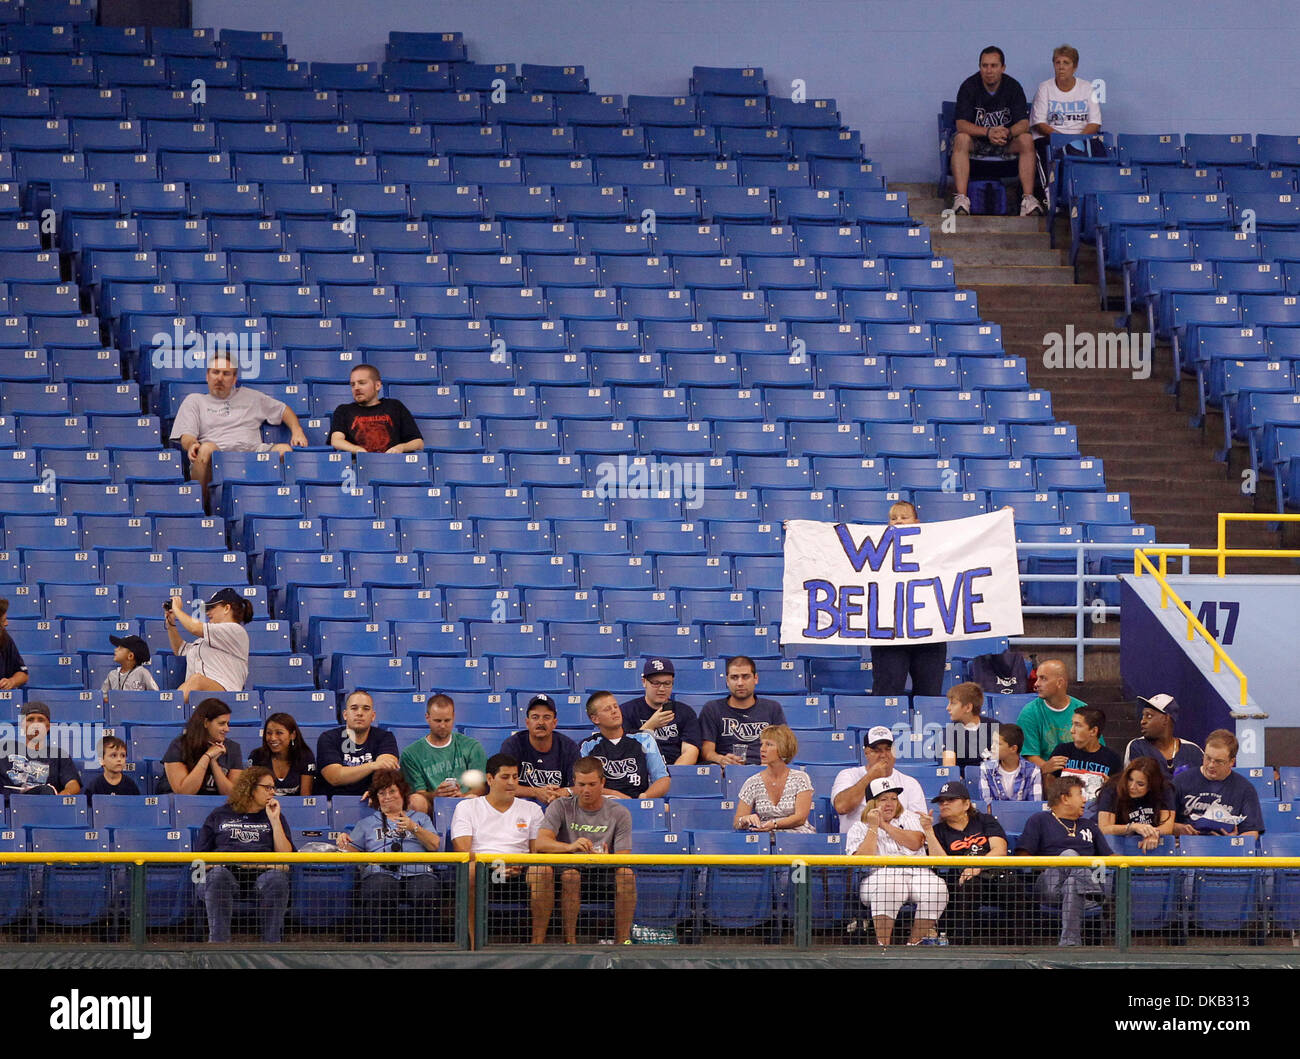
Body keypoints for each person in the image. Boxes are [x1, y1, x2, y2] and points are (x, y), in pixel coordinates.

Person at [169, 352, 308, 500]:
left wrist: (297, 430)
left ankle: (281, 503)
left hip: (252, 455)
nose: (220, 378)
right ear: (207, 376)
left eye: (226, 373)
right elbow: (187, 435)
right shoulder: (194, 401)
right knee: (205, 449)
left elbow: (283, 410)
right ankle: (201, 508)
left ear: (234, 379)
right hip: (217, 455)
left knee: (285, 450)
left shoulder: (252, 397)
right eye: (215, 372)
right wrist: (192, 444)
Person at [450, 754, 553, 945]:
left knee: (543, 870)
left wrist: (520, 864)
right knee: (469, 871)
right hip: (485, 870)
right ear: (490, 779)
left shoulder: (532, 809)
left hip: (520, 870)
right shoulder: (467, 807)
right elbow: (463, 851)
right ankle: (473, 944)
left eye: (515, 777)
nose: (512, 783)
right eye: (505, 777)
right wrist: (496, 864)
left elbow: (536, 852)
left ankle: (537, 944)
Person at [535, 756, 635, 945]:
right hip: (568, 867)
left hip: (604, 869)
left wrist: (607, 859)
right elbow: (541, 843)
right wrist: (570, 847)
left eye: (592, 784)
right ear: (574, 783)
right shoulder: (560, 806)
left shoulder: (619, 812)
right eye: (581, 784)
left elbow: (624, 856)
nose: (586, 790)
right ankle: (570, 942)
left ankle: (623, 941)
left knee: (627, 875)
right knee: (570, 876)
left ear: (602, 782)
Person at [337, 768, 442, 942]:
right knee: (379, 888)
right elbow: (351, 853)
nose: (387, 797)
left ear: (402, 792)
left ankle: (427, 946)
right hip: (380, 873)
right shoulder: (366, 823)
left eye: (392, 791)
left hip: (418, 871)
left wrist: (413, 827)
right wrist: (343, 841)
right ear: (376, 798)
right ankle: (378, 947)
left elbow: (434, 845)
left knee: (427, 889)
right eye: (382, 793)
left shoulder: (420, 818)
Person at [195, 766, 294, 943]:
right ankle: (218, 947)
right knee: (217, 875)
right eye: (268, 787)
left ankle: (271, 946)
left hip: (261, 876)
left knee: (277, 879)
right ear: (250, 787)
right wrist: (220, 864)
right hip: (224, 875)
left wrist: (274, 820)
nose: (272, 792)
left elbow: (286, 859)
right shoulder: (219, 815)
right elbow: (198, 860)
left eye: (273, 788)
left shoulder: (274, 816)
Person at [846, 776, 949, 946]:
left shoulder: (910, 818)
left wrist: (885, 825)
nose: (890, 803)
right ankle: (883, 946)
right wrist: (873, 827)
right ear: (872, 803)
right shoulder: (859, 827)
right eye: (883, 799)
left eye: (893, 798)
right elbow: (863, 860)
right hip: (879, 876)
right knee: (891, 885)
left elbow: (915, 843)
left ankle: (914, 944)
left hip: (918, 874)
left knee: (937, 888)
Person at [1015, 775, 1112, 946]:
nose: (1084, 799)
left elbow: (1111, 858)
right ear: (1065, 798)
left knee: (1073, 883)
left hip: (1076, 890)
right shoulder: (1040, 820)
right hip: (1050, 885)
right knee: (1069, 855)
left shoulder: (1089, 825)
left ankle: (1069, 943)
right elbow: (1023, 858)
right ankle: (1093, 890)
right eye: (1080, 794)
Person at [950, 45, 1043, 217]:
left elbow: (1023, 123)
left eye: (994, 66)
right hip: (978, 141)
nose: (989, 70)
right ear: (980, 67)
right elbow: (961, 124)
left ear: (1003, 68)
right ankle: (962, 199)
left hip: (1005, 141)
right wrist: (988, 132)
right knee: (961, 138)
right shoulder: (969, 86)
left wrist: (1007, 133)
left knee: (1026, 140)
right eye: (985, 65)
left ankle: (1028, 200)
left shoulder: (1013, 87)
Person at [868, 501, 949, 696]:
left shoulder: (936, 549)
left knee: (929, 694)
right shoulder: (874, 551)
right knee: (887, 692)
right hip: (889, 632)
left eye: (904, 518)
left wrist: (1002, 520)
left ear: (917, 522)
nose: (899, 522)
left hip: (929, 632)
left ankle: (926, 728)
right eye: (894, 519)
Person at [924, 779, 1011, 945]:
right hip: (960, 882)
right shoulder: (938, 831)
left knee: (1012, 885)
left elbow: (999, 850)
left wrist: (977, 866)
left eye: (951, 800)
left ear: (966, 804)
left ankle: (1023, 944)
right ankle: (960, 945)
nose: (944, 804)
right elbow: (940, 863)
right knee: (971, 885)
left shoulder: (985, 820)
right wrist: (928, 832)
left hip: (992, 875)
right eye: (941, 801)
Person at [400, 693, 486, 814]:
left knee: (473, 799)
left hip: (466, 803)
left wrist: (463, 796)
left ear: (454, 717)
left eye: (447, 720)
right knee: (415, 800)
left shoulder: (471, 746)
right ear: (427, 717)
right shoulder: (411, 753)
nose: (442, 725)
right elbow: (419, 792)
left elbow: (481, 787)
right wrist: (436, 795)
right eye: (437, 720)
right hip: (432, 807)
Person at [831, 725, 926, 834]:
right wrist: (870, 776)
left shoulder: (910, 783)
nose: (883, 755)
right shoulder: (848, 775)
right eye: (877, 751)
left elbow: (919, 831)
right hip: (857, 845)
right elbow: (841, 807)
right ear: (866, 753)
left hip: (898, 847)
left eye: (888, 749)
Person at [164, 587, 254, 702]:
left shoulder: (236, 630)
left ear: (227, 608)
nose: (207, 613)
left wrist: (176, 609)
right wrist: (171, 623)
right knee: (196, 681)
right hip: (201, 700)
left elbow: (194, 628)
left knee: (197, 680)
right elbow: (180, 650)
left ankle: (169, 706)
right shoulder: (203, 640)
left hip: (228, 697)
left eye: (212, 607)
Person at [578, 690, 670, 799]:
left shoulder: (644, 739)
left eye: (615, 707)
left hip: (637, 802)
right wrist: (616, 795)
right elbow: (583, 785)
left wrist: (643, 797)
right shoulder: (587, 746)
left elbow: (663, 779)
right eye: (607, 709)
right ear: (595, 719)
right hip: (602, 805)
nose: (614, 711)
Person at [1171, 730, 1264, 837]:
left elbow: (1252, 832)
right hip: (1187, 847)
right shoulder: (1181, 781)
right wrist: (1179, 829)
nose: (1211, 765)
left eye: (1218, 761)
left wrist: (1233, 840)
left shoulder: (1245, 789)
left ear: (1231, 762)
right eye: (1207, 758)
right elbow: (1163, 824)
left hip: (1226, 849)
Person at [699, 655, 788, 766]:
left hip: (763, 770)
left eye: (745, 677)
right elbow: (707, 751)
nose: (740, 683)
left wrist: (769, 763)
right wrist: (721, 759)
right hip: (728, 770)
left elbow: (783, 748)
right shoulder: (712, 708)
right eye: (734, 677)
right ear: (727, 681)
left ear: (755, 678)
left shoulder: (772, 708)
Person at [315, 689, 401, 800]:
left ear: (373, 716)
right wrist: (372, 765)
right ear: (345, 715)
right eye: (354, 708)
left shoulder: (385, 737)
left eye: (366, 709)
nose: (360, 713)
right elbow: (334, 777)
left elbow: (386, 768)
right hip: (334, 802)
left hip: (372, 799)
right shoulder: (328, 738)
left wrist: (376, 791)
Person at [498, 694, 581, 804]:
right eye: (535, 717)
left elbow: (581, 785)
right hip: (519, 810)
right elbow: (503, 786)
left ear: (554, 723)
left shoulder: (569, 747)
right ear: (527, 723)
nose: (541, 722)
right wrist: (536, 792)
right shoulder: (513, 744)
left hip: (559, 808)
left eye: (546, 717)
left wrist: (564, 792)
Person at [619, 656, 701, 766]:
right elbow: (625, 753)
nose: (662, 689)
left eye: (667, 683)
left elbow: (690, 752)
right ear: (644, 682)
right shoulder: (627, 711)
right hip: (640, 770)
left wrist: (672, 775)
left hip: (675, 770)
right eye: (656, 683)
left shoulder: (685, 712)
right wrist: (650, 725)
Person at [1014, 659, 1092, 772]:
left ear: (1059, 683)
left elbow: (1095, 749)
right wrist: (1048, 769)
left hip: (1081, 776)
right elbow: (1029, 755)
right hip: (1044, 777)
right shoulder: (1029, 712)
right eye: (1037, 678)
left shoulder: (1083, 710)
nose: (1036, 684)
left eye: (1043, 678)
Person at [733, 725, 814, 833]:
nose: (762, 749)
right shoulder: (752, 782)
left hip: (797, 836)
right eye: (762, 744)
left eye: (769, 744)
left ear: (783, 748)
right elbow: (737, 821)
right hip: (765, 836)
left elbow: (800, 818)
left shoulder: (800, 778)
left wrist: (774, 824)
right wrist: (745, 819)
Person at [329, 363, 424, 454]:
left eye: (362, 383)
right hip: (357, 465)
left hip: (392, 464)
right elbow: (336, 440)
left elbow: (418, 443)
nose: (356, 388)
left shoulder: (395, 406)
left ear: (377, 385)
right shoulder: (343, 410)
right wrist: (357, 450)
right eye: (353, 384)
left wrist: (401, 447)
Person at [161, 697, 244, 796]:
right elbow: (185, 792)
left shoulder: (233, 748)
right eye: (221, 724)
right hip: (185, 807)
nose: (227, 729)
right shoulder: (179, 746)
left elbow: (233, 796)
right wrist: (207, 757)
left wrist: (213, 763)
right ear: (205, 723)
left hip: (219, 808)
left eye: (227, 724)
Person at [1043, 707, 1122, 804]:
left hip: (1096, 813)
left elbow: (1119, 795)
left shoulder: (1113, 759)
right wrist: (1045, 772)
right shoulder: (1062, 751)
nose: (1072, 730)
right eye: (1072, 724)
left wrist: (1111, 788)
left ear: (1093, 731)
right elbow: (1049, 788)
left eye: (1078, 725)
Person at [0, 700, 81, 794]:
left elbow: (72, 784)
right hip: (11, 805)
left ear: (48, 726)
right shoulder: (5, 749)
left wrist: (59, 798)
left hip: (45, 805)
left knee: (46, 791)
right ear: (22, 725)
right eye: (30, 719)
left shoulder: (59, 755)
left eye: (41, 720)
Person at [1096, 758, 1175, 851]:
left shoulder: (1164, 789)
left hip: (1148, 842)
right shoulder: (1112, 788)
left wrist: (1154, 834)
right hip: (1117, 841)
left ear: (1151, 786)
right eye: (1130, 779)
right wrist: (1132, 827)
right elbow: (1104, 829)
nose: (1132, 787)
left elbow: (1167, 826)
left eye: (1140, 784)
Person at [1123, 693, 1203, 779]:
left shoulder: (1193, 751)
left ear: (1166, 719)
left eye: (1149, 716)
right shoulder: (1137, 747)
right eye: (1143, 716)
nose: (1142, 721)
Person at [248, 712, 315, 796]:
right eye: (269, 733)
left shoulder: (305, 756)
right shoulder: (257, 756)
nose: (272, 738)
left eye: (279, 733)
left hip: (296, 808)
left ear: (292, 735)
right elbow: (252, 794)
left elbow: (305, 795)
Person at [978, 723, 1043, 804]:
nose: (992, 747)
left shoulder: (1033, 771)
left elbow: (1034, 806)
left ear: (1013, 748)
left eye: (998, 744)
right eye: (993, 742)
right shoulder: (986, 768)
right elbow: (987, 805)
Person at [940, 681, 998, 769]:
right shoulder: (951, 731)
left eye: (953, 703)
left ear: (968, 707)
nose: (948, 708)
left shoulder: (995, 727)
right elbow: (949, 767)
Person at [0, 597, 29, 691]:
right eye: (3, 620)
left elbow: (23, 674)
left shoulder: (5, 639)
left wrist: (12, 681)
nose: (7, 623)